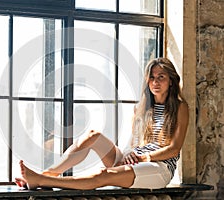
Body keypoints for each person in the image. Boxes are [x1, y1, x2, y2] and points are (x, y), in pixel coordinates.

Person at [15, 57, 189, 190]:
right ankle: (47, 174)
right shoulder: (141, 109)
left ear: (171, 81)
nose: (155, 82)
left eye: (161, 77)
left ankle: (43, 180)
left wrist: (142, 158)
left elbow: (174, 149)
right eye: (151, 77)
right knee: (93, 136)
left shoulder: (180, 108)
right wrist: (129, 153)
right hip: (135, 160)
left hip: (158, 168)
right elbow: (134, 144)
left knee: (103, 174)